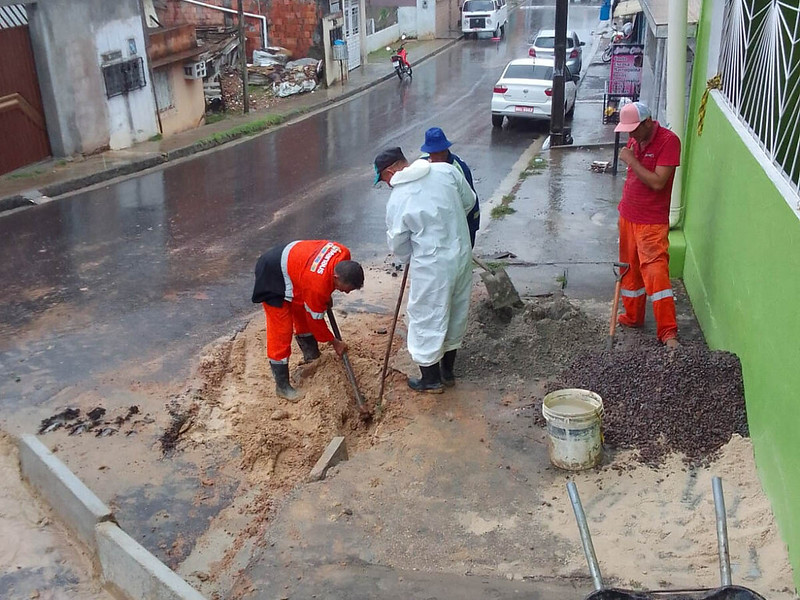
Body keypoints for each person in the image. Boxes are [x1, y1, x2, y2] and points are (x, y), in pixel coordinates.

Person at [373, 146, 476, 393]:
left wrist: (410, 253)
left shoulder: (399, 198)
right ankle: (447, 373)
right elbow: (469, 201)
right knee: (455, 310)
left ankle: (431, 380)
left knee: (426, 317)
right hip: (461, 254)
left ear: (390, 172)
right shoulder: (446, 171)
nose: (386, 185)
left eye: (383, 179)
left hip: (432, 266)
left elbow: (398, 243)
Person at [251, 241, 364, 401]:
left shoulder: (343, 253)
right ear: (336, 277)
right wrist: (335, 342)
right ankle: (282, 387)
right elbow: (316, 324)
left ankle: (311, 355)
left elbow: (322, 283)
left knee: (303, 311)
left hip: (295, 268)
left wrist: (327, 294)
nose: (345, 292)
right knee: (281, 331)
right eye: (343, 288)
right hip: (272, 274)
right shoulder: (317, 286)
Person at [614, 102, 681, 348]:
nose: (629, 135)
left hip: (651, 223)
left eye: (633, 129)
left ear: (647, 123)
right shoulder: (636, 140)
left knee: (655, 275)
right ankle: (633, 317)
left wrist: (631, 160)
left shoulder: (668, 141)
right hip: (628, 216)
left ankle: (668, 332)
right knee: (630, 272)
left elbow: (657, 183)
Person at [420, 127, 481, 248]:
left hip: (467, 217)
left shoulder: (458, 168)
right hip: (439, 222)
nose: (435, 157)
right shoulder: (423, 165)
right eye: (432, 153)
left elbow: (468, 202)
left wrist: (453, 221)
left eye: (438, 153)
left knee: (462, 253)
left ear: (445, 150)